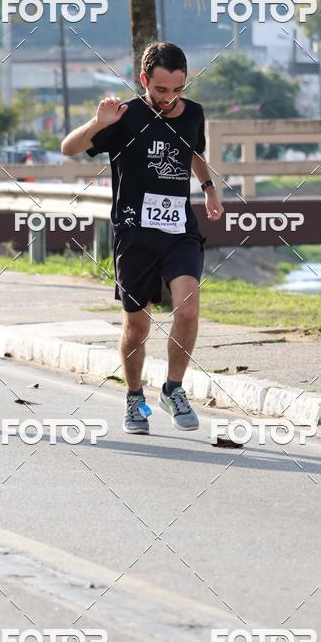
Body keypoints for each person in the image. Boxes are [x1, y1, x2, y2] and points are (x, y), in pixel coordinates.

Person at [62, 42, 224, 434]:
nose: (169, 99)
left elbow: (193, 152)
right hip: (134, 232)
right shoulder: (124, 116)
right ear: (144, 81)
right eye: (161, 90)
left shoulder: (194, 114)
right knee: (137, 326)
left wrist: (208, 188)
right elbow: (69, 148)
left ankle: (173, 388)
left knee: (187, 309)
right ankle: (135, 397)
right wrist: (98, 123)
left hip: (179, 231)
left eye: (177, 90)